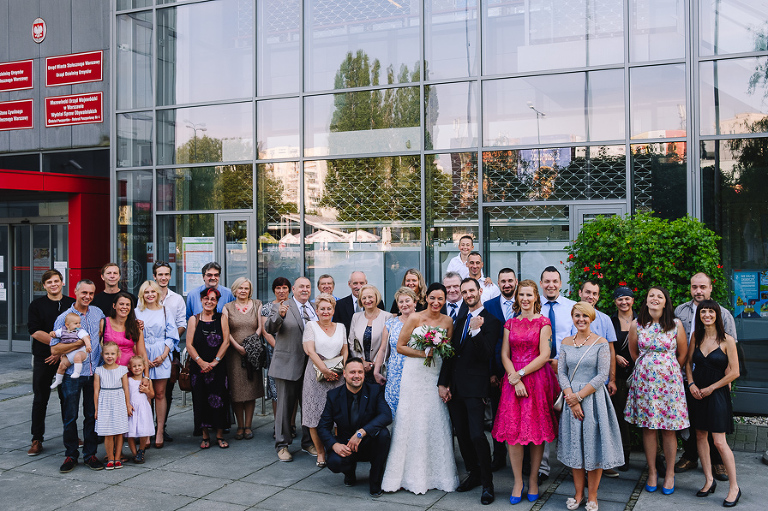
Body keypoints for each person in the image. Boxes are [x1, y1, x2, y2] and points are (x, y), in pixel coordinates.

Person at [381, 283, 459, 494]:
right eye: (432, 298)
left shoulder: (448, 321)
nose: (436, 302)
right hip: (414, 373)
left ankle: (437, 474)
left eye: (440, 299)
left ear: (445, 300)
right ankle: (406, 475)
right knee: (411, 418)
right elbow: (400, 346)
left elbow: (449, 353)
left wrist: (445, 382)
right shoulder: (415, 318)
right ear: (426, 298)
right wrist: (423, 353)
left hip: (435, 374)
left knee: (435, 418)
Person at [491, 279, 559, 504]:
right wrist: (514, 378)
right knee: (513, 434)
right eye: (522, 295)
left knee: (536, 432)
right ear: (517, 297)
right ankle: (518, 481)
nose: (525, 299)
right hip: (513, 382)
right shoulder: (510, 323)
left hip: (536, 379)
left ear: (536, 297)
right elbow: (504, 354)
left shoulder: (543, 322)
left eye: (529, 295)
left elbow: (545, 355)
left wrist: (520, 374)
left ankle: (533, 479)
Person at [438, 278, 502, 505]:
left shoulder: (492, 321)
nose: (468, 295)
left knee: (476, 435)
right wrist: (442, 383)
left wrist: (476, 331)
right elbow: (450, 355)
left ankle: (487, 484)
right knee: (462, 435)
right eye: (464, 292)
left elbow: (486, 354)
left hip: (475, 388)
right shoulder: (459, 320)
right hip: (455, 388)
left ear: (480, 291)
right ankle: (473, 473)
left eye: (471, 290)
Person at [557, 302, 624, 511]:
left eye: (585, 316)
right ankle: (578, 494)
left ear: (592, 318)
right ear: (572, 317)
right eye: (577, 316)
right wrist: (571, 398)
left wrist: (578, 397)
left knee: (594, 448)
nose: (581, 319)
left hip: (593, 400)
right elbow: (562, 372)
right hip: (571, 399)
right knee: (575, 448)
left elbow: (602, 375)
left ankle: (593, 496)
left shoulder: (600, 342)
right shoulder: (566, 342)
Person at [625, 286, 689, 495]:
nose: (655, 298)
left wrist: (667, 370)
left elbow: (682, 354)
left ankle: (669, 473)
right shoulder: (636, 324)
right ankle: (652, 471)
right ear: (646, 301)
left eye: (659, 296)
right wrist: (649, 367)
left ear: (665, 302)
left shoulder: (676, 325)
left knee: (669, 429)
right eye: (651, 295)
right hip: (645, 384)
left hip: (670, 385)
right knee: (648, 429)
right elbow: (634, 352)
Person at [674, 272, 737, 480]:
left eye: (702, 287)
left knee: (716, 425)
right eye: (694, 287)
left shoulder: (723, 314)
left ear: (710, 288)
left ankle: (718, 462)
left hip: (715, 378)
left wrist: (725, 382)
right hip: (689, 376)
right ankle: (690, 456)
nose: (698, 291)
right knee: (694, 423)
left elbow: (730, 353)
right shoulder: (680, 311)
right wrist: (688, 380)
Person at [685, 300, 741, 506]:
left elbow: (735, 372)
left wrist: (712, 388)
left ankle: (734, 487)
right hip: (697, 392)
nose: (707, 315)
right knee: (700, 435)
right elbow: (688, 363)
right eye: (703, 312)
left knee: (719, 441)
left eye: (711, 311)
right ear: (699, 315)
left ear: (717, 315)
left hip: (716, 394)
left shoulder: (727, 340)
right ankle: (709, 480)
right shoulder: (696, 336)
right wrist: (691, 383)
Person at [317, 358, 393, 497]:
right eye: (352, 372)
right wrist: (334, 445)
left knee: (383, 434)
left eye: (360, 372)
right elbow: (322, 426)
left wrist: (361, 432)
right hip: (346, 446)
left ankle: (375, 480)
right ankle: (349, 472)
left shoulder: (375, 390)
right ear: (345, 374)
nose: (357, 376)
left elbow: (386, 415)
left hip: (368, 442)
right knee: (334, 462)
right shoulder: (334, 396)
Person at [51, 279, 105, 473]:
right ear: (75, 291)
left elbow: (103, 334)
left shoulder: (98, 313)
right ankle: (71, 455)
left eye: (91, 293)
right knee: (70, 416)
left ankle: (90, 454)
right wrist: (80, 344)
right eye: (84, 292)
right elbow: (55, 348)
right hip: (72, 375)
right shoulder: (64, 317)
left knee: (91, 415)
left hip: (94, 372)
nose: (87, 296)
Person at [567, 281, 620, 477]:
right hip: (573, 383)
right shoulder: (570, 317)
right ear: (580, 292)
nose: (591, 296)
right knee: (576, 426)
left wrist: (612, 379)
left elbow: (611, 351)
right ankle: (577, 465)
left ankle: (601, 462)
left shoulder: (604, 319)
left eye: (595, 293)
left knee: (597, 426)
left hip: (596, 384)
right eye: (587, 292)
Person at [265, 276, 318, 462]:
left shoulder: (314, 308)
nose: (305, 289)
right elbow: (269, 327)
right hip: (287, 365)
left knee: (309, 406)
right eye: (301, 286)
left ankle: (308, 442)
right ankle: (282, 445)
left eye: (308, 286)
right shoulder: (281, 306)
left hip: (310, 366)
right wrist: (279, 315)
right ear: (293, 289)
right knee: (285, 408)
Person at [27, 269, 75, 456]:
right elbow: (35, 331)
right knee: (40, 398)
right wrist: (56, 347)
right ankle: (36, 439)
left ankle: (70, 436)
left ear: (62, 282)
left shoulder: (72, 304)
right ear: (44, 286)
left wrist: (61, 352)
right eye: (49, 282)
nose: (53, 284)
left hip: (67, 358)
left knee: (67, 398)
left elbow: (78, 330)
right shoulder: (36, 305)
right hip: (44, 358)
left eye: (56, 281)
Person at [537, 265, 576, 482]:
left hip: (566, 369)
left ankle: (571, 463)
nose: (551, 285)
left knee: (568, 417)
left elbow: (576, 338)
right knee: (542, 416)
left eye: (555, 281)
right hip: (540, 369)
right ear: (541, 284)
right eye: (547, 281)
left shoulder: (571, 307)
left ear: (561, 283)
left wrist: (561, 361)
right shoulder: (534, 307)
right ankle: (542, 467)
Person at [302, 293, 349, 468]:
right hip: (316, 374)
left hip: (337, 375)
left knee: (338, 416)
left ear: (333, 310)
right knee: (314, 415)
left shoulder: (341, 327)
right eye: (322, 308)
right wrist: (324, 370)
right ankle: (320, 452)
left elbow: (345, 349)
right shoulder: (311, 326)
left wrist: (340, 368)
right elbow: (310, 350)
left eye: (329, 308)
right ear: (317, 310)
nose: (325, 311)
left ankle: (335, 449)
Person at [482, 267, 518, 471]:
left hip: (520, 370)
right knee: (497, 415)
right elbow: (487, 341)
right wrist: (491, 373)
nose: (507, 284)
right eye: (503, 281)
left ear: (515, 282)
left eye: (510, 281)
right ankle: (499, 455)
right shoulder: (489, 305)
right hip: (496, 370)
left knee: (519, 414)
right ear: (498, 283)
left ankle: (523, 459)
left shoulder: (524, 302)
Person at [134, 280, 178, 448]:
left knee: (160, 393)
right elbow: (132, 335)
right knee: (145, 395)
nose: (150, 295)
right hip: (142, 354)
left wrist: (164, 355)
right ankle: (146, 432)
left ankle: (159, 431)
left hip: (161, 353)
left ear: (158, 293)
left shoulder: (165, 311)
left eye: (153, 291)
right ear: (142, 294)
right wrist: (143, 359)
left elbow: (172, 335)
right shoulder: (136, 312)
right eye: (147, 292)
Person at [186, 287, 232, 449]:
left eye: (213, 299)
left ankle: (219, 435)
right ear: (201, 300)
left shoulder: (222, 318)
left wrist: (215, 361)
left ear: (217, 302)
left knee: (220, 399)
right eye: (206, 298)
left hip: (218, 367)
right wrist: (201, 362)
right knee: (200, 399)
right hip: (198, 368)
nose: (209, 301)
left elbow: (226, 341)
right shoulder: (194, 319)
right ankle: (205, 435)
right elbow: (189, 344)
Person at [223, 277, 264, 440]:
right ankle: (239, 426)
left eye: (246, 288)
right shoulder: (227, 307)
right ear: (234, 290)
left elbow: (260, 327)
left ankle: (248, 426)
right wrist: (238, 347)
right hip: (233, 354)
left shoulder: (257, 304)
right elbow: (226, 331)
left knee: (250, 390)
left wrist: (250, 344)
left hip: (252, 354)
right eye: (240, 288)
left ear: (250, 290)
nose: (243, 291)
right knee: (237, 391)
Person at [152, 261, 186, 443]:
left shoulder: (177, 299)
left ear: (170, 276)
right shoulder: (147, 296)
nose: (163, 277)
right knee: (148, 391)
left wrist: (168, 340)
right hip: (149, 350)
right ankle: (146, 428)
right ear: (154, 276)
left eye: (166, 274)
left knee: (166, 392)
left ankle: (161, 428)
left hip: (171, 351)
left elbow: (182, 324)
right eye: (160, 274)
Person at [373, 287, 418, 416]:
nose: (404, 304)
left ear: (414, 302)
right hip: (395, 374)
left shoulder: (423, 321)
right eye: (400, 302)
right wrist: (376, 371)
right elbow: (382, 349)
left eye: (407, 301)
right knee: (396, 410)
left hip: (416, 372)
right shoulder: (391, 324)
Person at [609, 286, 636, 471]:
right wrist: (616, 356)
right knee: (620, 414)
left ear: (632, 300)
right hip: (618, 374)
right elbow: (606, 344)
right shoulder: (610, 321)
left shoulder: (641, 320)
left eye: (627, 298)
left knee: (645, 413)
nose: (624, 302)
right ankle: (624, 454)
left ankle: (656, 455)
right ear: (615, 302)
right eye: (620, 299)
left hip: (640, 374)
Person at [93, 342, 131, 470]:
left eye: (113, 353)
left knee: (119, 431)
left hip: (118, 401)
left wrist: (128, 404)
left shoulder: (122, 370)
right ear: (102, 354)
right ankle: (110, 458)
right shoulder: (99, 371)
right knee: (108, 432)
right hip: (104, 402)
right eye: (107, 353)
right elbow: (96, 391)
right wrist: (96, 409)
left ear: (118, 354)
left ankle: (117, 458)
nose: (110, 356)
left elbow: (126, 389)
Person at [261, 277, 292, 422]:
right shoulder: (267, 308)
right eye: (278, 288)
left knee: (292, 392)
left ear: (289, 290)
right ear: (274, 290)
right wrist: (280, 348)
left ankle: (291, 425)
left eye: (284, 288)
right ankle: (278, 425)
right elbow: (266, 332)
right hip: (275, 354)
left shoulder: (294, 306)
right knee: (276, 392)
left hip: (293, 353)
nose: (281, 291)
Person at [348, 285, 392, 383]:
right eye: (364, 298)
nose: (367, 300)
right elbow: (351, 342)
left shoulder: (387, 317)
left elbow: (387, 345)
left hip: (380, 370)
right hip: (360, 369)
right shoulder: (356, 317)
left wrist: (375, 364)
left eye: (370, 297)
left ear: (376, 297)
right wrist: (362, 361)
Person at [48, 313, 92, 388]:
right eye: (76, 323)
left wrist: (88, 345)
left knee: (77, 357)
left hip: (81, 351)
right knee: (62, 366)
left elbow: (86, 338)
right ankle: (58, 380)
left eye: (79, 323)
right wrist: (52, 333)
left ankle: (77, 372)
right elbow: (55, 334)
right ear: (67, 325)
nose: (78, 325)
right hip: (69, 353)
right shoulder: (62, 330)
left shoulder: (80, 331)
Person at [102, 292, 144, 369]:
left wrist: (146, 375)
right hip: (109, 371)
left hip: (131, 371)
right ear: (114, 306)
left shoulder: (135, 325)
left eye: (127, 305)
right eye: (121, 304)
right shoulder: (104, 323)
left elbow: (142, 354)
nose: (124, 307)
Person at [125, 355, 155, 464]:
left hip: (143, 408)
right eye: (134, 366)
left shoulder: (147, 381)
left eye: (139, 365)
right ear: (130, 367)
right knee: (130, 432)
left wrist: (147, 391)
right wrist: (127, 405)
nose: (137, 368)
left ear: (144, 367)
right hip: (133, 408)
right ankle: (135, 454)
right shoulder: (128, 380)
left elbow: (152, 395)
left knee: (144, 430)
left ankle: (141, 451)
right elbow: (126, 394)